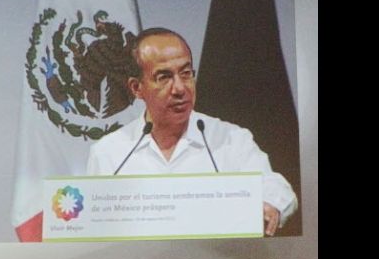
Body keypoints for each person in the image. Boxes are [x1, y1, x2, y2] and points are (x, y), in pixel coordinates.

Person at [86, 27, 298, 236]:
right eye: (163, 77)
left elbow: (276, 187)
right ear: (136, 88)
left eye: (186, 74)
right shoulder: (109, 153)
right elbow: (93, 223)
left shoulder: (231, 140)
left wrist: (271, 205)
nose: (179, 88)